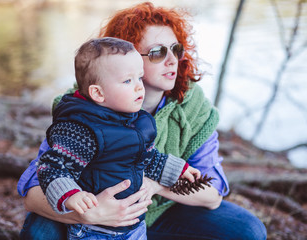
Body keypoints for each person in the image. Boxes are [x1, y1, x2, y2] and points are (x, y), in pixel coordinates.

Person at [18, 2, 267, 239]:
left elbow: (212, 193)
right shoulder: (84, 109)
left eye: (176, 49)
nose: (172, 60)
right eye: (158, 52)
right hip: (95, 217)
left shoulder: (194, 108)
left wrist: (155, 185)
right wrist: (90, 213)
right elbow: (33, 192)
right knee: (40, 231)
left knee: (248, 231)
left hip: (162, 212)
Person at [37, 37, 201, 239]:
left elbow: (148, 159)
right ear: (98, 93)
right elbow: (52, 166)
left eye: (139, 78)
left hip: (133, 225)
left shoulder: (137, 121)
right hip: (95, 230)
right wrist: (71, 195)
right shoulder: (82, 129)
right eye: (127, 81)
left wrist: (178, 170)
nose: (139, 87)